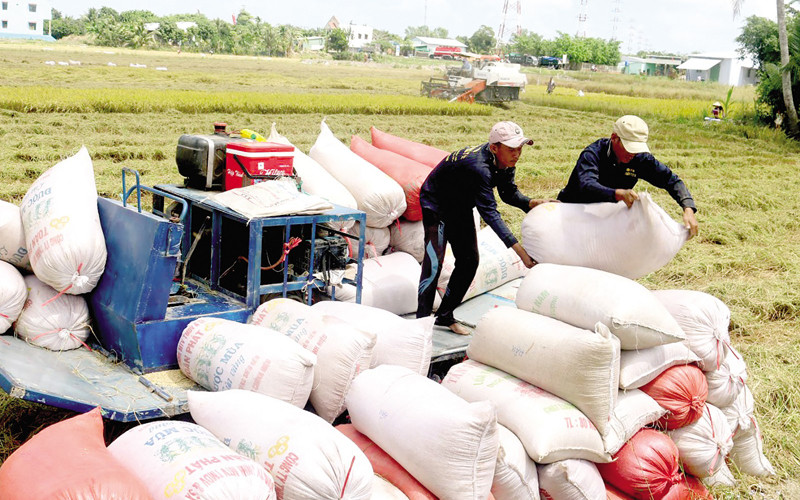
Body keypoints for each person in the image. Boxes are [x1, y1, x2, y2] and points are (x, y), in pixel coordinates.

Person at [416, 121, 550, 335]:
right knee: (435, 262)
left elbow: (508, 194)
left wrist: (530, 202)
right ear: (495, 147)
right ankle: (420, 323)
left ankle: (444, 315)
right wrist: (521, 253)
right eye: (512, 149)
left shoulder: (505, 161)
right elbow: (490, 214)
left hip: (459, 205)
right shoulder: (479, 167)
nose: (517, 154)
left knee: (469, 261)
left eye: (520, 148)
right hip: (437, 203)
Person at [557, 115, 699, 238]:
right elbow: (586, 185)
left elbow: (671, 180)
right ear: (614, 138)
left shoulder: (640, 159)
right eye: (629, 147)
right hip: (574, 211)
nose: (632, 154)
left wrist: (688, 208)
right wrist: (618, 194)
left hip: (606, 218)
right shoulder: (593, 154)